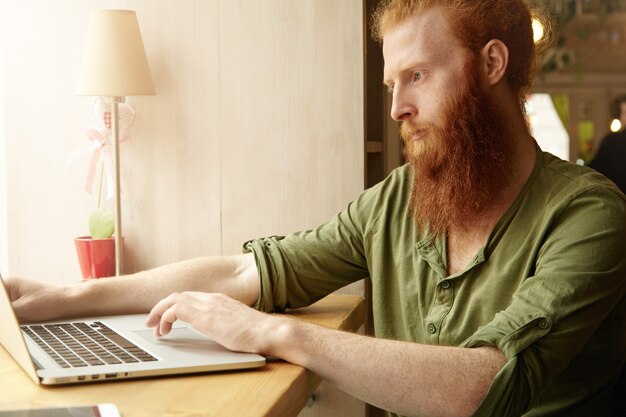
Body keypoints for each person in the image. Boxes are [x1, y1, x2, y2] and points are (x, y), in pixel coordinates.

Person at [6, 1, 626, 416]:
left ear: (491, 64)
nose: (397, 110)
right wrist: (59, 300)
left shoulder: (589, 217)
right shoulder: (395, 203)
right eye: (391, 85)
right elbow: (244, 273)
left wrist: (274, 332)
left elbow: (487, 384)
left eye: (418, 77)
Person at [589, 95, 626, 194]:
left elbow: (593, 169)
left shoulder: (611, 140)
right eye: (624, 113)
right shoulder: (612, 141)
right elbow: (596, 168)